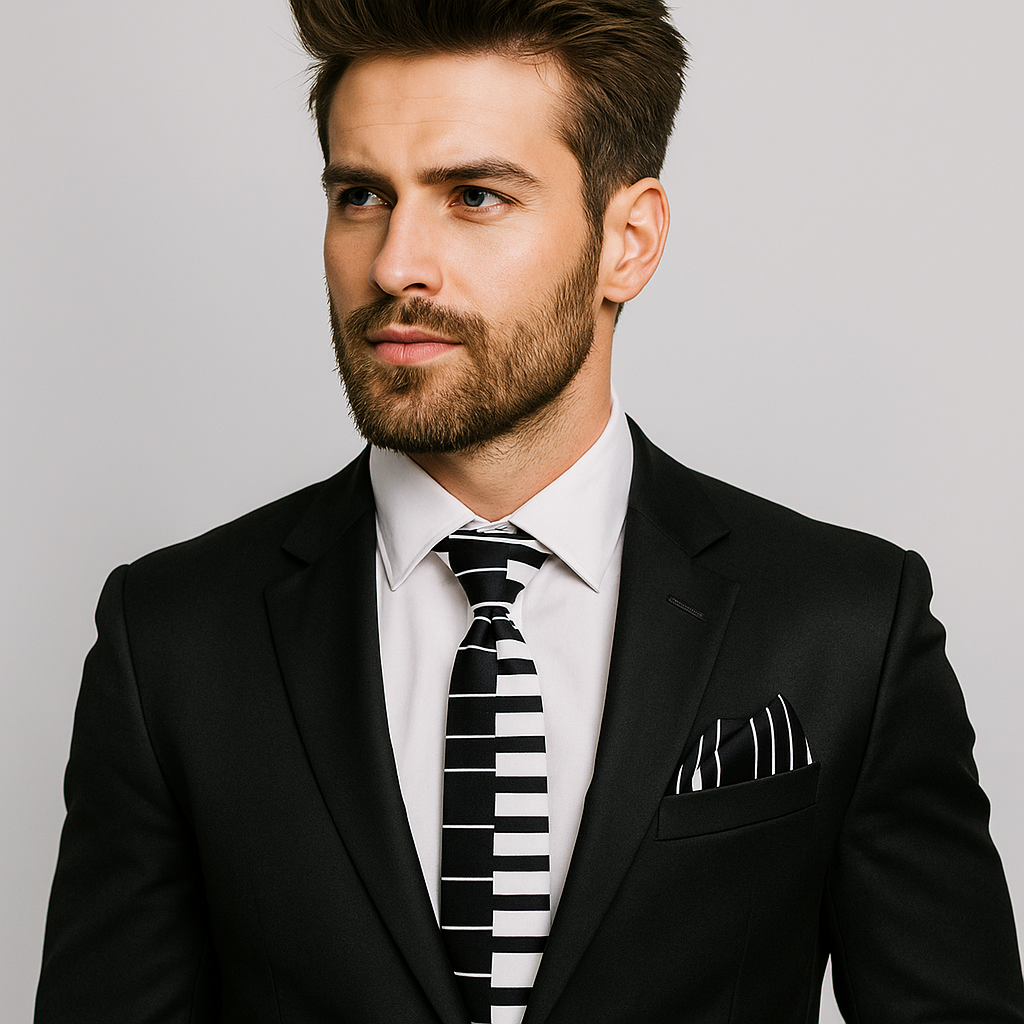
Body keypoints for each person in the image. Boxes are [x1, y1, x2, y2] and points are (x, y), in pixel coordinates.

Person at [35, 0, 1024, 1020]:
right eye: (362, 195)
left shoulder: (845, 623)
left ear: (627, 242)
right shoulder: (172, 640)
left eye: (473, 196)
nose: (393, 264)